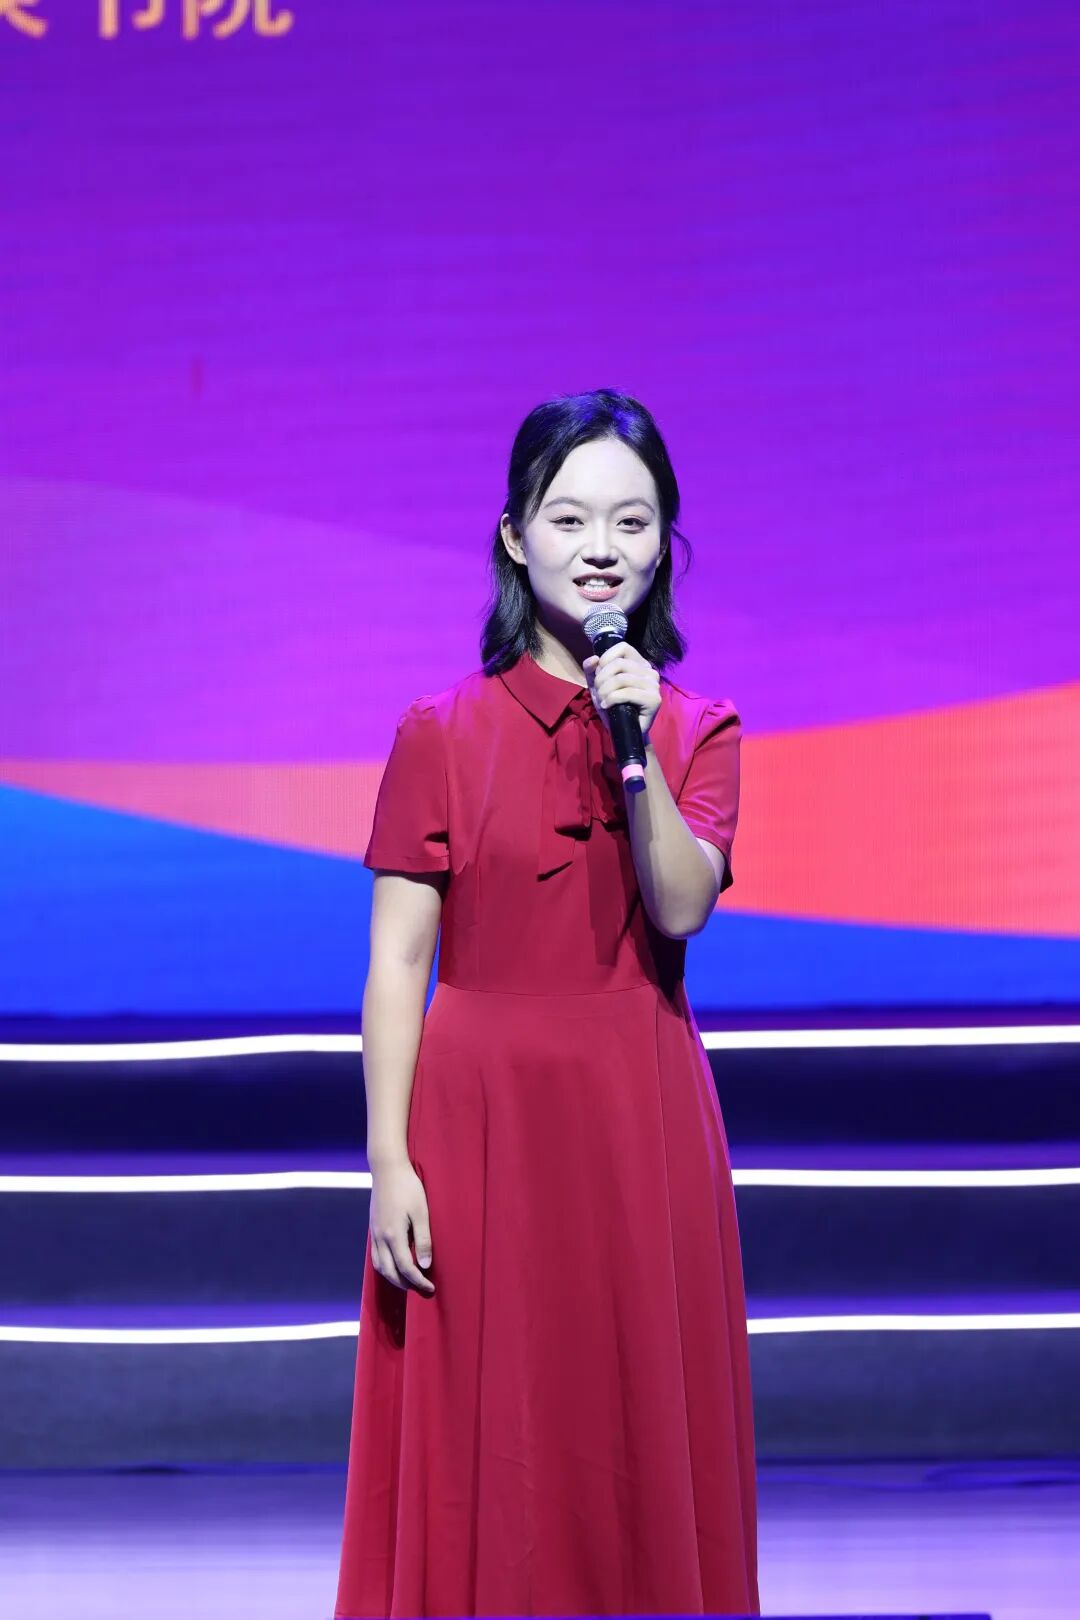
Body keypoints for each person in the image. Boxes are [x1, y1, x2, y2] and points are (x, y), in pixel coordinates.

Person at [334, 388, 760, 1618]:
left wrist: (635, 747)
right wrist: (389, 1160)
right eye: (568, 519)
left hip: (640, 1114)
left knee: (633, 1416)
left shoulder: (698, 730)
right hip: (478, 1123)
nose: (601, 546)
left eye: (631, 520)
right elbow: (397, 963)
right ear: (516, 538)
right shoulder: (439, 732)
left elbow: (679, 906)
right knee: (490, 1428)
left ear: (664, 544)